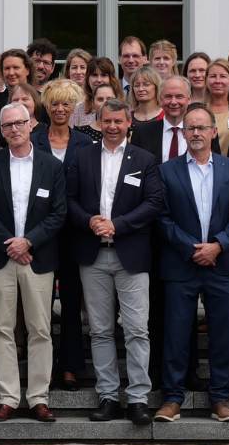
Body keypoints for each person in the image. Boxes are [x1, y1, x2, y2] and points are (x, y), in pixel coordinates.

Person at [65, 100, 164, 424]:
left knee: (137, 330)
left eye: (118, 121)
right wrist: (90, 221)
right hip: (93, 255)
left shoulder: (145, 160)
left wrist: (117, 225)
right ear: (98, 122)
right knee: (100, 330)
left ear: (128, 123)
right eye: (106, 120)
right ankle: (108, 395)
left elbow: (153, 202)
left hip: (131, 256)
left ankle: (137, 398)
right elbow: (68, 200)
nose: (112, 126)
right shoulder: (83, 156)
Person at [153, 103, 229, 423]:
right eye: (190, 128)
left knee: (222, 335)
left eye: (201, 128)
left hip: (222, 265)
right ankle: (172, 398)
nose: (195, 133)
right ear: (183, 133)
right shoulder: (167, 171)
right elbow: (162, 218)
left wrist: (218, 246)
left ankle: (221, 399)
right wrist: (191, 247)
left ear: (213, 131)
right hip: (181, 264)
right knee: (176, 334)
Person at [0, 102, 67, 422]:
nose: (14, 129)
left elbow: (59, 212)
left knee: (39, 328)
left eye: (19, 123)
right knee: (1, 327)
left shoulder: (51, 166)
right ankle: (8, 397)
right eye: (7, 125)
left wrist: (29, 241)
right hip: (1, 258)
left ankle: (38, 397)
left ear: (31, 125)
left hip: (37, 257)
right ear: (1, 131)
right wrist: (11, 245)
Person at [33, 78, 94, 391]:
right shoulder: (33, 138)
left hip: (73, 233)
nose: (60, 109)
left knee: (71, 303)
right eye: (54, 103)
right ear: (47, 106)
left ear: (74, 108)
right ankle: (39, 368)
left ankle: (70, 366)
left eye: (65, 104)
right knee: (39, 304)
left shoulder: (85, 143)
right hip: (40, 233)